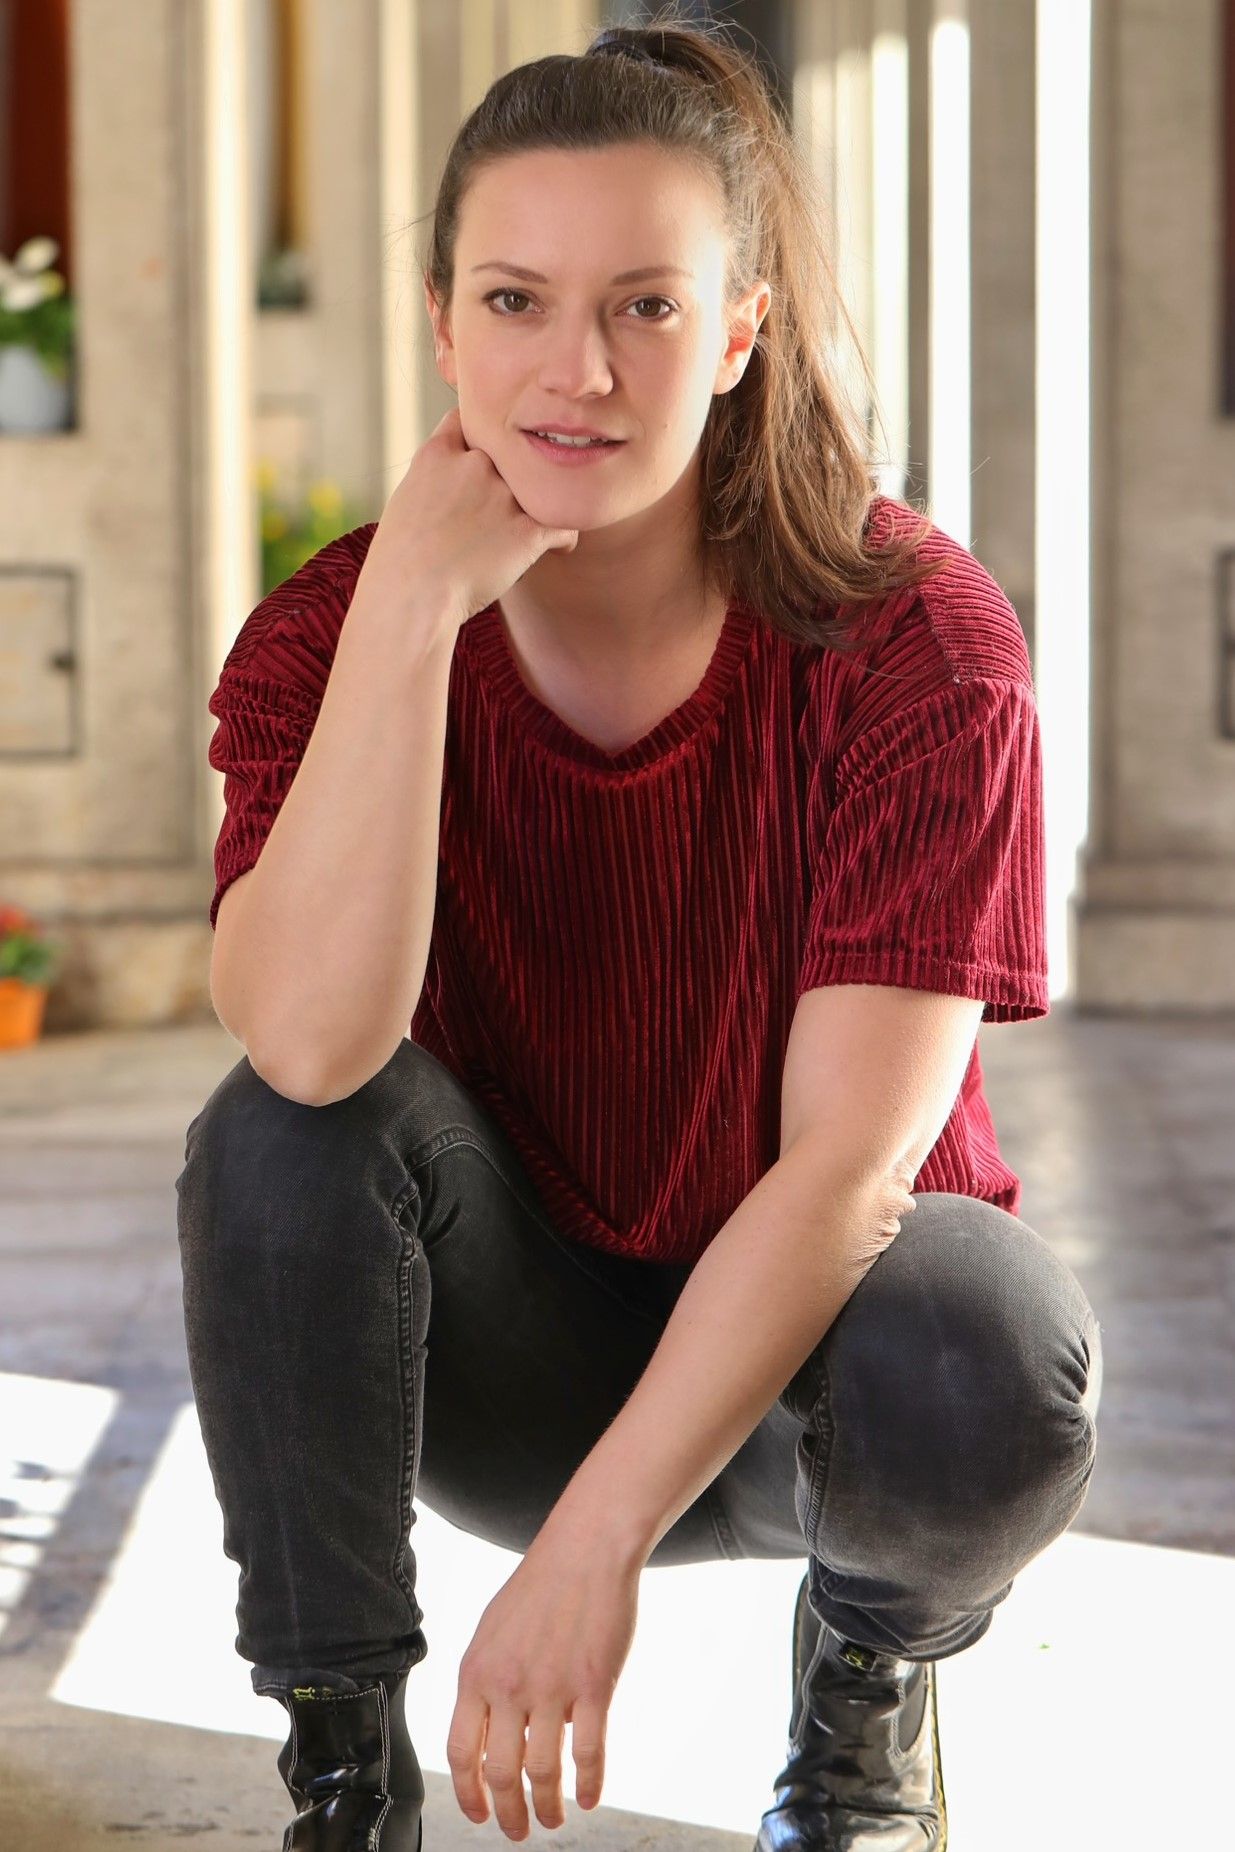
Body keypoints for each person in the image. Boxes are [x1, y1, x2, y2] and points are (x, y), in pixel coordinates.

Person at [175, 15, 1102, 1852]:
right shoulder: (331, 633)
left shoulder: (916, 642)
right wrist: (412, 614)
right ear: (442, 320)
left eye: (648, 308)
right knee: (278, 1138)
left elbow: (849, 1172)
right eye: (515, 301)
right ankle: (343, 1774)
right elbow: (309, 1045)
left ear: (742, 329)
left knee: (986, 1344)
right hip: (494, 1359)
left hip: (816, 1390)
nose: (577, 370)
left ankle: (860, 1719)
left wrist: (592, 1553)